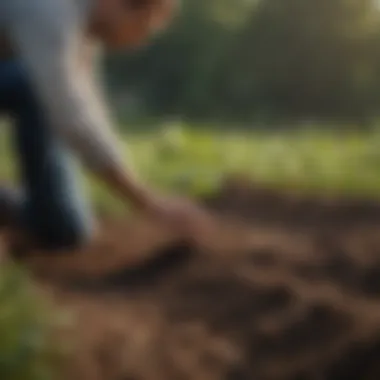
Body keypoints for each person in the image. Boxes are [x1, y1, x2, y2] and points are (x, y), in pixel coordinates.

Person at [0, 0, 207, 252]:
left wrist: (132, 181)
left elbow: (86, 107)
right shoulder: (50, 12)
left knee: (64, 228)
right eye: (145, 27)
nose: (140, 42)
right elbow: (70, 115)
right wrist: (148, 202)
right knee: (42, 89)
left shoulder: (82, 28)